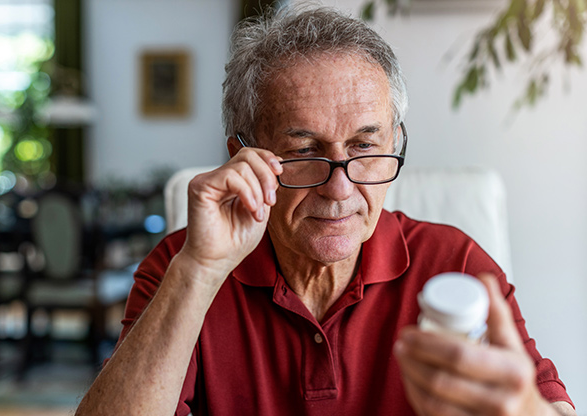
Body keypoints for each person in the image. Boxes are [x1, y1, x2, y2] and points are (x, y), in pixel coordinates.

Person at [76, 5, 575, 416]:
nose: (340, 189)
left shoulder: (454, 263)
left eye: (364, 146)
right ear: (242, 157)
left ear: (394, 144)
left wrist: (526, 407)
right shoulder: (178, 269)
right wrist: (199, 272)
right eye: (302, 152)